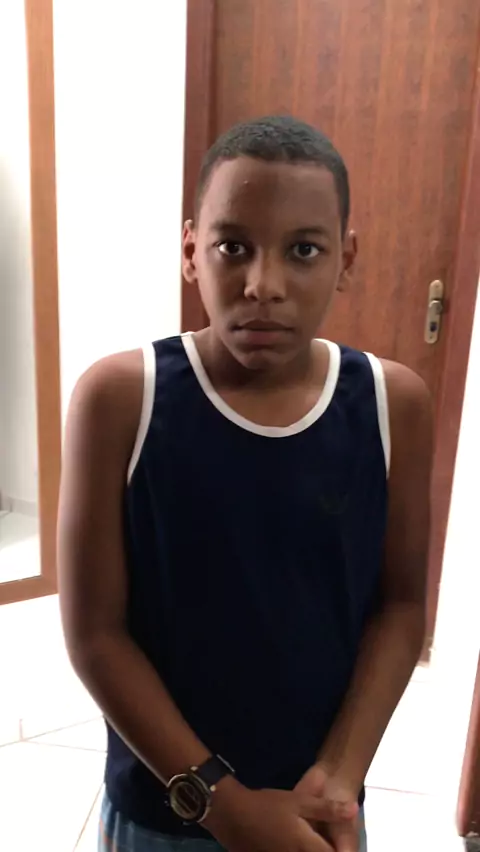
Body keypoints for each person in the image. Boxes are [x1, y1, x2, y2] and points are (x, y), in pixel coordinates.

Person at [57, 115, 432, 852]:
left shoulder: (394, 405)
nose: (264, 286)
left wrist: (339, 776)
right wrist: (222, 805)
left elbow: (400, 606)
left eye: (304, 250)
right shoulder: (123, 399)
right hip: (165, 808)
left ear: (346, 258)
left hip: (318, 807)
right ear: (190, 251)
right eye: (233, 247)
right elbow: (96, 634)